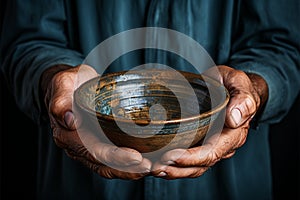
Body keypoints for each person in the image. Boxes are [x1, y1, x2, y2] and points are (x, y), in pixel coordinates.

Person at [0, 1, 299, 200]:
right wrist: (54, 79)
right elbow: (29, 40)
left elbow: (280, 45)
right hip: (79, 187)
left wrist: (253, 91)